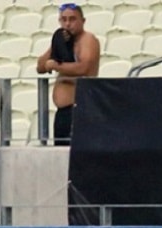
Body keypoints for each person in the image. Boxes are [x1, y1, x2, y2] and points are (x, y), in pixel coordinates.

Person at [36, 3, 100, 146]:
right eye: (63, 19)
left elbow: (83, 68)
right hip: (63, 112)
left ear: (82, 21)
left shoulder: (87, 40)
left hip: (78, 108)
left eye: (72, 19)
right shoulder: (63, 41)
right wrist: (56, 44)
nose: (67, 24)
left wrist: (56, 66)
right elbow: (40, 66)